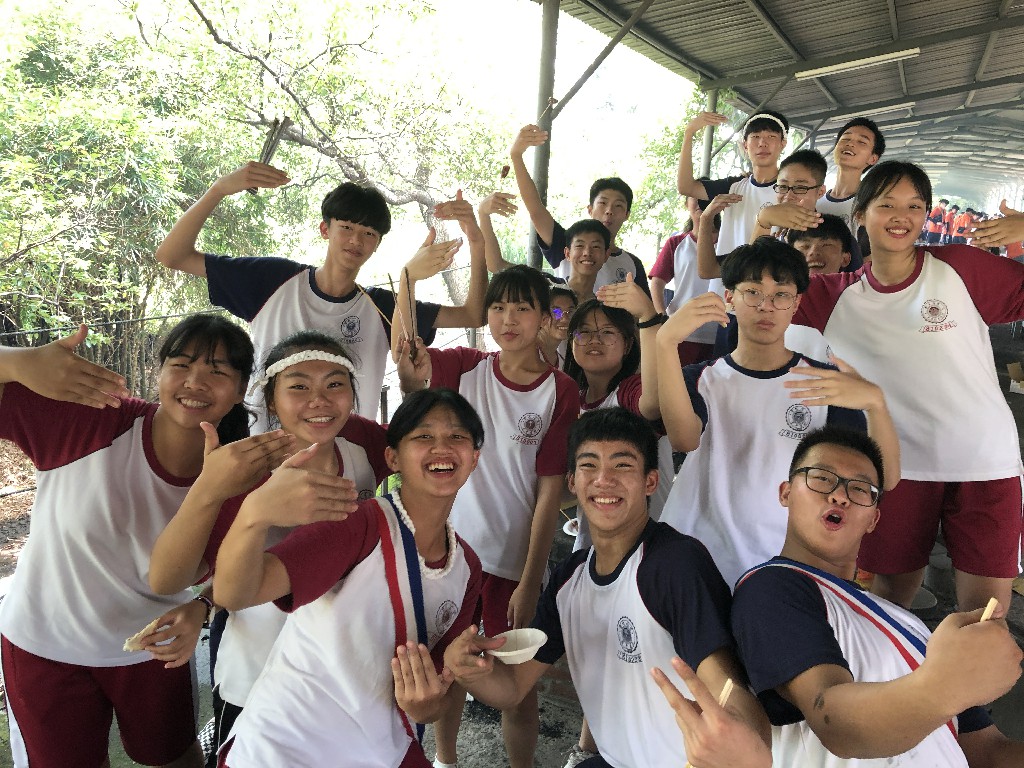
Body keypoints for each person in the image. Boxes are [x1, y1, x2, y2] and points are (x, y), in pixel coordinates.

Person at [444, 407, 772, 768]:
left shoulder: (674, 565)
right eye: (589, 465)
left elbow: (731, 691)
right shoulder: (569, 579)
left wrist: (744, 743)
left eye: (622, 465)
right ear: (572, 481)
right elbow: (513, 688)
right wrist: (469, 670)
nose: (603, 479)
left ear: (650, 481)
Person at [0, 315, 254, 768]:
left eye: (217, 370)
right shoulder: (93, 417)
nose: (195, 381)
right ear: (159, 372)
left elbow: (243, 570)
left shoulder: (241, 475)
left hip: (155, 647)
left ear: (240, 390)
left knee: (174, 758)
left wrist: (202, 606)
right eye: (181, 364)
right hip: (43, 643)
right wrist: (17, 362)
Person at [792, 160, 1024, 614]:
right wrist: (763, 224)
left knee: (984, 617)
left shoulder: (958, 267)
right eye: (887, 205)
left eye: (914, 206)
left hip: (983, 463)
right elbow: (748, 289)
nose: (901, 216)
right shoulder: (833, 295)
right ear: (861, 215)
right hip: (899, 468)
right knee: (889, 602)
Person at [211, 388, 484, 767]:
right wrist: (253, 515)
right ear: (392, 458)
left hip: (381, 748)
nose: (442, 447)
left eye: (457, 436)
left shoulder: (466, 567)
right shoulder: (357, 525)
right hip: (287, 749)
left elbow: (437, 690)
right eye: (423, 436)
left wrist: (425, 706)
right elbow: (235, 593)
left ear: (475, 458)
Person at [149, 330, 390, 757]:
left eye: (335, 384)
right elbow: (173, 578)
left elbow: (423, 445)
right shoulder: (244, 468)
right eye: (299, 386)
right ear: (272, 402)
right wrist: (216, 493)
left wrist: (414, 385)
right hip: (257, 676)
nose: (319, 401)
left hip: (344, 676)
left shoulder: (362, 445)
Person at [728, 426, 1024, 767]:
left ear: (874, 519)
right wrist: (943, 686)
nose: (839, 496)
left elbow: (989, 752)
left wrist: (948, 683)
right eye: (821, 478)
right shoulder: (772, 587)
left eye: (859, 489)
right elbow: (834, 721)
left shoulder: (911, 625)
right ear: (786, 493)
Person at [395, 264, 579, 768]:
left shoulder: (560, 390)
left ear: (544, 318)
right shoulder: (463, 367)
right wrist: (410, 279)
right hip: (451, 558)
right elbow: (407, 363)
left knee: (515, 687)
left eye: (522, 308)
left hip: (510, 565)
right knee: (450, 670)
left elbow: (549, 491)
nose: (508, 319)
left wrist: (530, 578)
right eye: (498, 307)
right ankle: (446, 760)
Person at [155, 164, 487, 424]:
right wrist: (219, 189)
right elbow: (173, 255)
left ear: (377, 243)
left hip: (348, 459)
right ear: (325, 229)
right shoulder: (272, 280)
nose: (356, 241)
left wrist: (475, 239)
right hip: (269, 456)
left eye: (368, 233)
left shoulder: (381, 306)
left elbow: (473, 315)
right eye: (347, 228)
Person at [656, 237, 900, 589]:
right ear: (730, 297)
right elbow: (684, 439)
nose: (766, 307)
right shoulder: (702, 379)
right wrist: (665, 343)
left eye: (781, 295)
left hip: (781, 565)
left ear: (797, 302)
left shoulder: (825, 383)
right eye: (752, 292)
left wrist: (876, 404)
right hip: (697, 555)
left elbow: (885, 479)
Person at [507, 124, 651, 295]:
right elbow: (536, 210)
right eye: (602, 203)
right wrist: (516, 156)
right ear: (590, 209)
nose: (609, 211)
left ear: (627, 215)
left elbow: (644, 309)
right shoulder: (566, 243)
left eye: (618, 205)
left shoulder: (632, 264)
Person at [676, 109, 790, 292]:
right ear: (745, 145)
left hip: (767, 292)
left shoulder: (791, 191)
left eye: (771, 136)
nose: (762, 143)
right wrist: (689, 133)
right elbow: (686, 187)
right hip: (724, 291)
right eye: (755, 136)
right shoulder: (734, 186)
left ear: (783, 143)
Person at [648, 194, 721, 366]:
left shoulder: (730, 241)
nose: (700, 202)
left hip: (719, 332)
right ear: (686, 204)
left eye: (706, 197)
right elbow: (657, 283)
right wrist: (662, 318)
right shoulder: (676, 243)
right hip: (682, 332)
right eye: (695, 197)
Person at [817, 117, 885, 237]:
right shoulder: (814, 200)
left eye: (862, 142)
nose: (850, 143)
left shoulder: (871, 204)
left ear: (873, 159)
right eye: (845, 138)